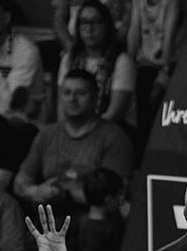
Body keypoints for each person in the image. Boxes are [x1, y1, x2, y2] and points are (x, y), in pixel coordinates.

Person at [13, 69, 135, 227]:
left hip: (92, 221)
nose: (72, 99)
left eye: (81, 93)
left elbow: (115, 197)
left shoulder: (114, 137)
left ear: (95, 98)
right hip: (50, 217)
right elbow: (20, 182)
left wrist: (66, 195)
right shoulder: (47, 134)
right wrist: (35, 191)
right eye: (67, 93)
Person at [126, 0, 183, 149]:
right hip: (143, 62)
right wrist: (128, 63)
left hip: (164, 62)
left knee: (152, 100)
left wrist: (164, 72)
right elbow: (134, 28)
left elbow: (169, 36)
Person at [56, 0, 136, 131]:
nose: (89, 28)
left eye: (96, 22)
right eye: (84, 22)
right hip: (74, 131)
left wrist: (81, 133)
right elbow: (61, 112)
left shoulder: (122, 61)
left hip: (111, 132)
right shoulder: (69, 58)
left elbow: (113, 115)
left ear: (107, 26)